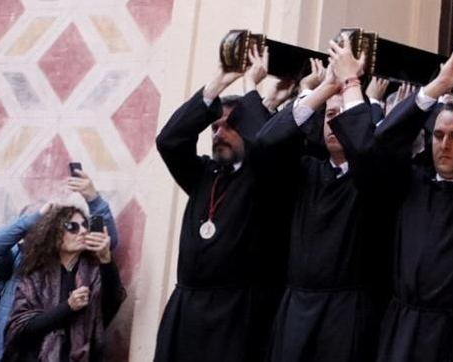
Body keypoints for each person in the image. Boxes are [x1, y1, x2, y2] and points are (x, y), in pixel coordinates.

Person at [329, 42, 453, 362]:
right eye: (438, 136)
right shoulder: (408, 185)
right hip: (403, 331)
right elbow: (374, 147)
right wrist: (439, 84)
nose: (445, 146)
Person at [254, 44, 393, 362]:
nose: (336, 123)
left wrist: (352, 86)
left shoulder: (372, 177)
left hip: (346, 316)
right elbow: (265, 142)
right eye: (330, 116)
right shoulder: (304, 171)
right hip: (296, 309)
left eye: (344, 115)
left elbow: (365, 150)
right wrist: (328, 88)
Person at [152, 44, 282, 362]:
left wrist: (258, 94)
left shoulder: (264, 176)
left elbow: (269, 143)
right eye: (214, 127)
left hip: (236, 314)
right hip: (186, 308)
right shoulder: (202, 175)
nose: (218, 133)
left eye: (228, 126)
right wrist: (218, 83)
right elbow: (169, 141)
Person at [0, 175, 118, 362]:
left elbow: (112, 301)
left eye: (84, 226)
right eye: (72, 226)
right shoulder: (24, 266)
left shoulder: (90, 270)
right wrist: (36, 218)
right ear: (50, 231)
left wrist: (93, 198)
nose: (82, 231)